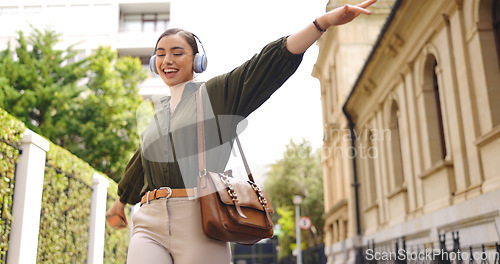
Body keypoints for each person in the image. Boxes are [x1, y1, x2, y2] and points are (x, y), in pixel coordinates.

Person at [105, 1, 377, 263]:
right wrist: (120, 203)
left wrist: (322, 23)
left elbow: (263, 66)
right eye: (161, 54)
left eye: (177, 52)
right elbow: (140, 161)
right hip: (149, 221)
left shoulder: (215, 95)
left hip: (199, 221)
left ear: (198, 61)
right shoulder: (158, 115)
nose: (167, 60)